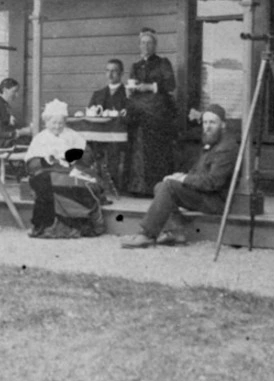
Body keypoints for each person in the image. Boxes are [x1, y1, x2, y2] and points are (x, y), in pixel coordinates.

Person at [120, 104, 237, 248]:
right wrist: (181, 175)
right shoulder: (214, 143)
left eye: (213, 122)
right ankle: (175, 232)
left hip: (216, 201)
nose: (207, 127)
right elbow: (201, 172)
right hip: (206, 194)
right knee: (161, 185)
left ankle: (147, 234)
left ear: (223, 125)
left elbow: (214, 182)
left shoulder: (225, 148)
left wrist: (183, 180)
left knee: (169, 187)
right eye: (205, 122)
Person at [24, 99, 106, 239]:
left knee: (80, 184)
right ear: (46, 122)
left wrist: (72, 158)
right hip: (47, 172)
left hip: (70, 170)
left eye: (61, 123)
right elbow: (31, 163)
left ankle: (75, 224)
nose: (57, 126)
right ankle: (46, 225)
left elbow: (87, 156)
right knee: (45, 182)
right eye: (53, 123)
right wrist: (46, 160)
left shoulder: (72, 135)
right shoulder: (40, 138)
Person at [125, 27, 177, 196]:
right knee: (139, 150)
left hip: (158, 114)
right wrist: (130, 90)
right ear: (139, 45)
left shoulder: (163, 63)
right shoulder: (136, 66)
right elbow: (132, 87)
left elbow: (170, 85)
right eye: (143, 43)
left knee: (155, 150)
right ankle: (138, 188)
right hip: (140, 113)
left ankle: (155, 189)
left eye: (149, 43)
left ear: (155, 45)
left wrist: (148, 86)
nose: (145, 46)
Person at [88, 59, 128, 191]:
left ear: (121, 73)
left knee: (114, 152)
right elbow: (90, 112)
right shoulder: (98, 94)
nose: (110, 74)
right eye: (108, 71)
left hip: (119, 138)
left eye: (114, 71)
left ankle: (113, 186)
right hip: (99, 136)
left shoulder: (127, 94)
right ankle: (96, 184)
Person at [0, 78, 33, 149]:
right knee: (33, 143)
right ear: (5, 90)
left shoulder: (3, 105)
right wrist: (22, 132)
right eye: (14, 91)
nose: (16, 95)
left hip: (3, 140)